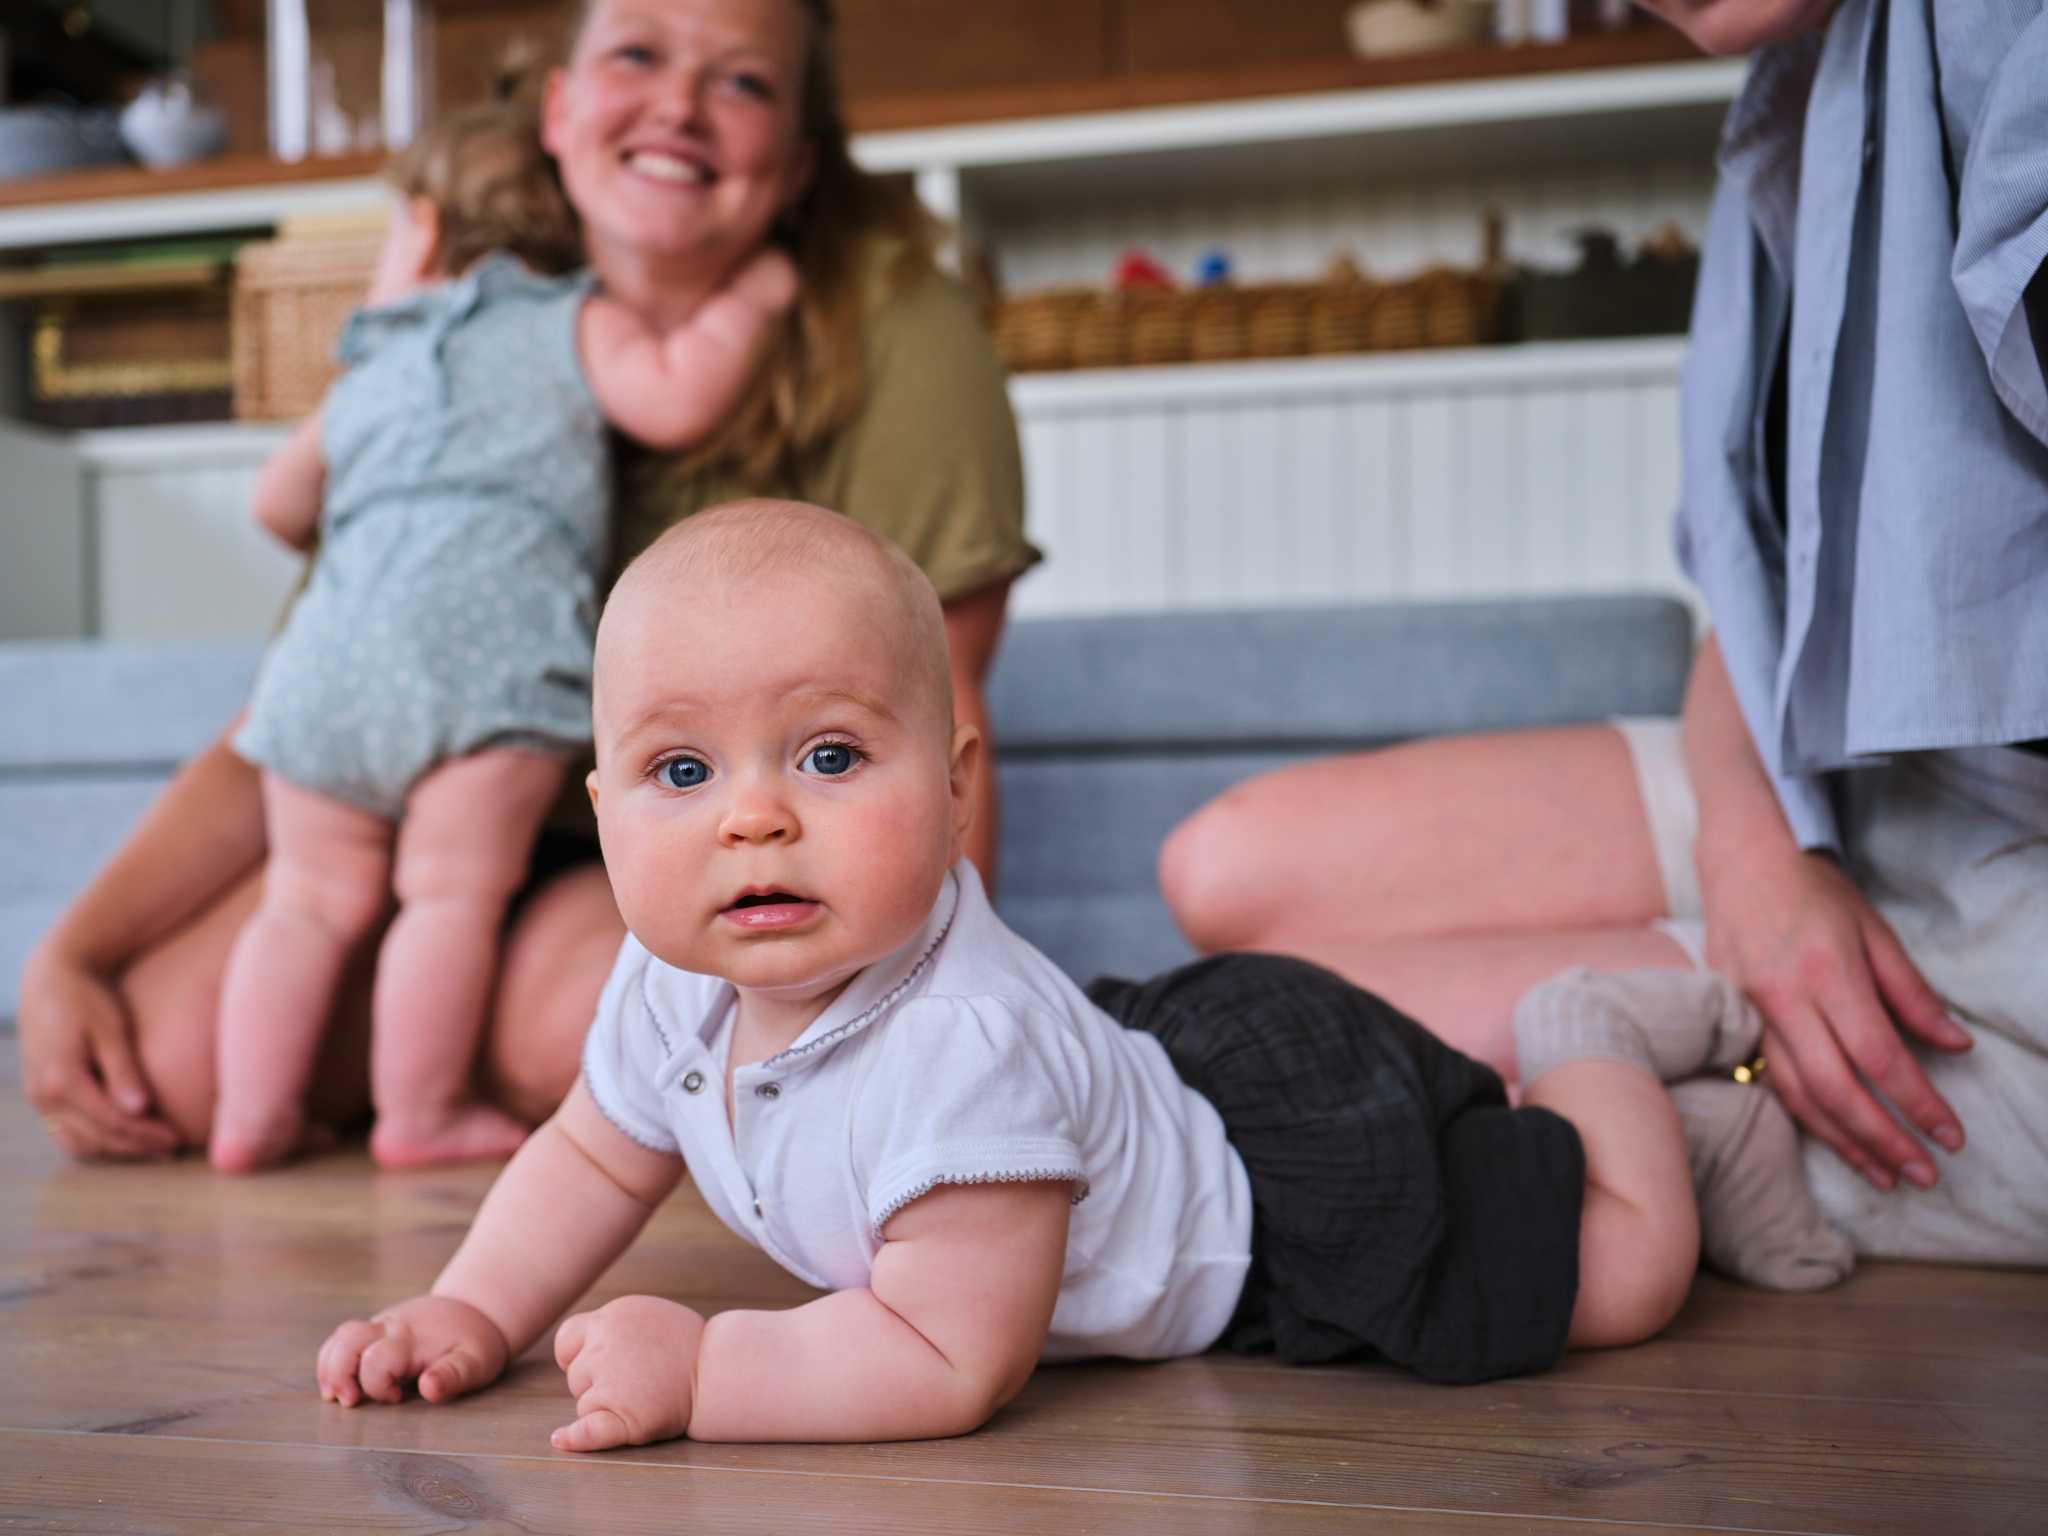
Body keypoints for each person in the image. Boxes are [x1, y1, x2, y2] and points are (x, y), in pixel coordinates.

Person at [316, 499, 1704, 1449]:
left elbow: (949, 1358)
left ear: (957, 785)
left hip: (1283, 1202)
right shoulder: (669, 983)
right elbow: (591, 1156)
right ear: (604, 808)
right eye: (682, 771)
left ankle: (1594, 1040)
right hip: (1154, 1063)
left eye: (831, 756)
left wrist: (709, 1368)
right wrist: (476, 1308)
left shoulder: (960, 1044)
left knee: (1624, 1274)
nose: (754, 818)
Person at [18, 0, 1036, 1164]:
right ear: (558, 108)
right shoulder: (452, 343)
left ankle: (470, 1054)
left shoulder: (896, 325)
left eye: (743, 83)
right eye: (636, 55)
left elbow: (940, 708)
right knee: (158, 1072)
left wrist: (944, 1053)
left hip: (699, 836)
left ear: (797, 163)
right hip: (435, 815)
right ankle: (448, 1053)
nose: (677, 106)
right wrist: (72, 955)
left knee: (599, 1021)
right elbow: (304, 711)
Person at [1157, 0, 2048, 1266]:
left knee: (1240, 1065)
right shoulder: (1796, 86)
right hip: (1851, 763)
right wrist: (1759, 862)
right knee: (1221, 872)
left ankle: (1718, 1084)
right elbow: (1760, 603)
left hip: (2005, 878)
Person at [212, 98, 797, 1174]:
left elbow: (275, 505)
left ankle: (251, 1115)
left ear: (423, 229)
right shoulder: (574, 318)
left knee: (304, 902)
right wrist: (747, 303)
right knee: (447, 894)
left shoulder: (371, 361)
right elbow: (674, 400)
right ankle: (419, 1113)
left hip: (328, 668)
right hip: (487, 662)